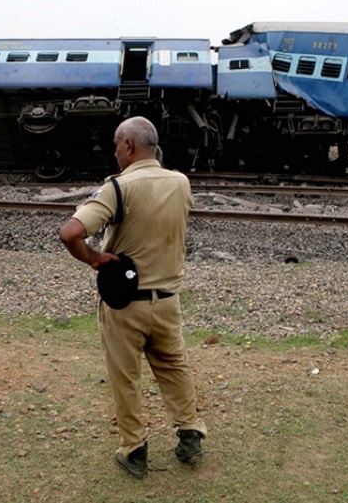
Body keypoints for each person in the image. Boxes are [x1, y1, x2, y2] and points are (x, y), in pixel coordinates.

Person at [59, 116, 207, 479]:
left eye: (115, 145)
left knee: (126, 378)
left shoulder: (117, 187)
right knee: (174, 367)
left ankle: (134, 450)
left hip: (125, 305)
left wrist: (94, 257)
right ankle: (190, 438)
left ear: (128, 146)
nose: (114, 152)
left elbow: (70, 233)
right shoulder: (181, 183)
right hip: (168, 300)